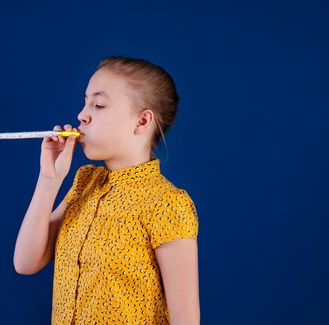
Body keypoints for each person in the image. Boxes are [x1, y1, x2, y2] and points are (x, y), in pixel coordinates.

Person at [13, 55, 200, 324]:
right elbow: (26, 263)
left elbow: (186, 320)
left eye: (99, 104)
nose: (81, 115)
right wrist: (49, 179)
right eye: (85, 101)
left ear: (142, 122)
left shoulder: (167, 204)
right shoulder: (84, 182)